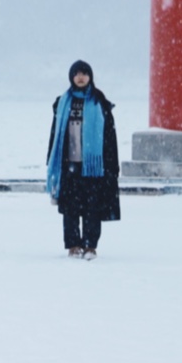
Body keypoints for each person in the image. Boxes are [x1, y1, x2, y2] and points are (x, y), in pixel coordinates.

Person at [45, 59, 120, 259]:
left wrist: (112, 164)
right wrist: (50, 160)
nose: (80, 77)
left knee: (92, 208)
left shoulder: (98, 102)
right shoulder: (63, 103)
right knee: (70, 208)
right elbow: (55, 134)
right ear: (71, 76)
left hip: (93, 167)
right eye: (77, 73)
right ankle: (73, 245)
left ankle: (90, 246)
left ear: (90, 77)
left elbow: (109, 136)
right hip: (68, 164)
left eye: (84, 73)